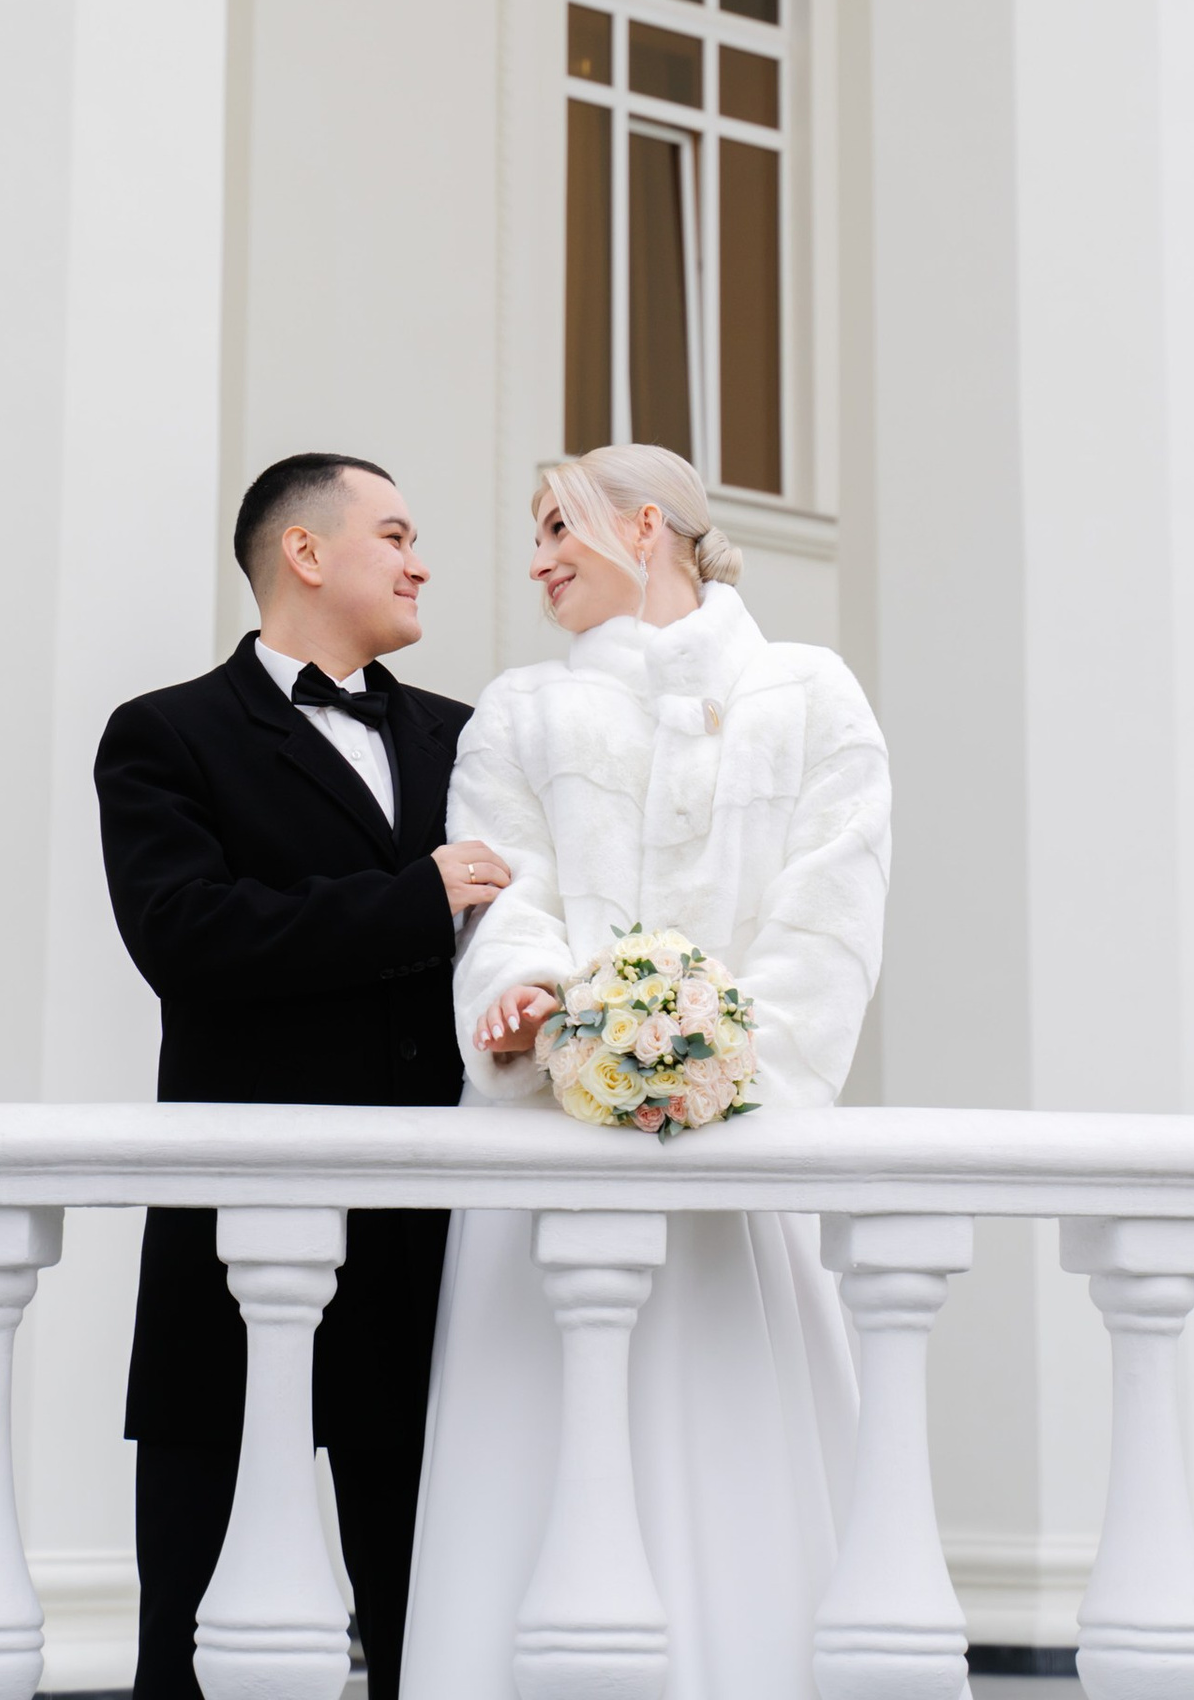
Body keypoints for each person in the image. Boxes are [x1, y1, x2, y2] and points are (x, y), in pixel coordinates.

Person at [403, 443, 893, 1700]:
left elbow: (829, 915)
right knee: (542, 1444)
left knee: (736, 1436)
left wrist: (719, 1060)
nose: (536, 560)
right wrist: (534, 1012)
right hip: (549, 1151)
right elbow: (509, 896)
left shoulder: (812, 695)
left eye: (557, 528)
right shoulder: (519, 710)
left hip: (735, 1157)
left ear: (645, 528)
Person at [94, 455, 514, 1700]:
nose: (421, 558)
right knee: (195, 1603)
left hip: (433, 1236)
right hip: (239, 1234)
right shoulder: (166, 734)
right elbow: (185, 938)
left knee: (426, 1610)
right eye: (394, 533)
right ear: (306, 554)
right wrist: (413, 900)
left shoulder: (465, 735)